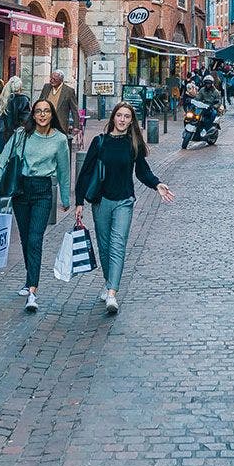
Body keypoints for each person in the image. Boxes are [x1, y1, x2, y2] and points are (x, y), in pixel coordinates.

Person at [74, 101, 174, 315]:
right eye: (119, 115)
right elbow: (85, 172)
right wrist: (79, 202)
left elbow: (142, 171)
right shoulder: (99, 142)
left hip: (124, 201)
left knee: (118, 244)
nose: (122, 119)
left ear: (132, 121)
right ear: (113, 118)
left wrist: (157, 184)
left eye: (127, 116)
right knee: (105, 246)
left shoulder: (133, 144)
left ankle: (112, 292)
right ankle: (109, 281)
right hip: (101, 201)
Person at [0, 98, 70, 312]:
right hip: (21, 190)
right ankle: (28, 280)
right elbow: (1, 162)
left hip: (43, 191)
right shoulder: (21, 135)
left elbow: (63, 171)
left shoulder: (60, 140)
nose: (42, 115)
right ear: (33, 115)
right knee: (26, 239)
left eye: (46, 111)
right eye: (38, 112)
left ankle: (33, 291)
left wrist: (66, 199)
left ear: (52, 114)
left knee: (35, 239)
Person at [38, 70, 79, 136]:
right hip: (45, 122)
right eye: (51, 78)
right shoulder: (46, 87)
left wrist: (76, 126)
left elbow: (74, 110)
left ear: (61, 80)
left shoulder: (69, 91)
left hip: (60, 124)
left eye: (54, 79)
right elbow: (39, 103)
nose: (51, 80)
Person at [0, 74, 31, 144]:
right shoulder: (23, 100)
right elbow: (25, 119)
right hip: (19, 134)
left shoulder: (2, 100)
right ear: (20, 87)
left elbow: (1, 120)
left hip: (5, 135)